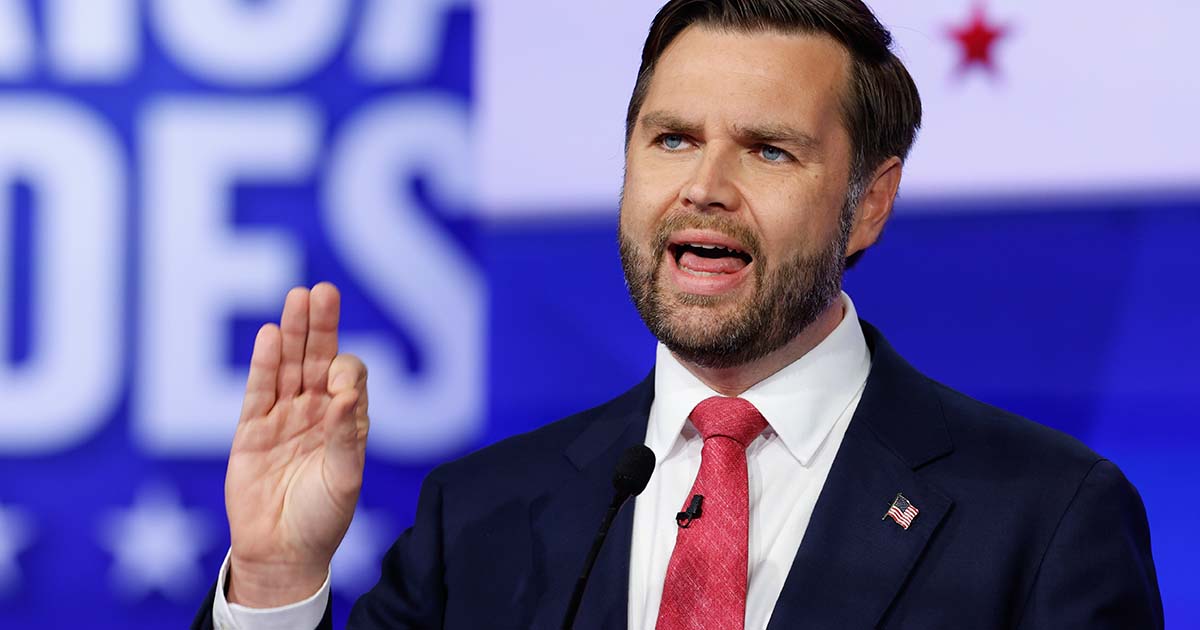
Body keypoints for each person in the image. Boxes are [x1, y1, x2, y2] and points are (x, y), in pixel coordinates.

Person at [192, 1, 1163, 628]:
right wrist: (276, 581)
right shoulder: (482, 515)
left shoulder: (1044, 516)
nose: (704, 187)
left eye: (769, 150)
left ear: (869, 202)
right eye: (672, 139)